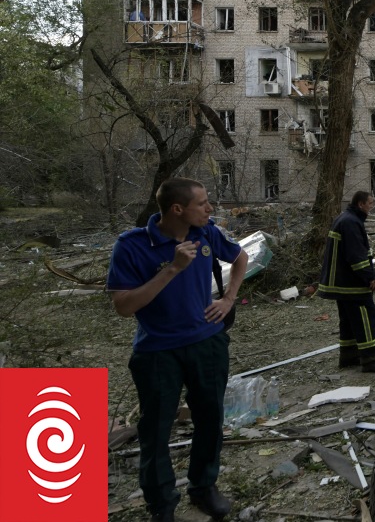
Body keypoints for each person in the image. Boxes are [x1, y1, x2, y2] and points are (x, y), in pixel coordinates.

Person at [107, 178, 248, 522]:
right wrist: (172, 269)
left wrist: (228, 299)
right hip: (157, 350)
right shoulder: (132, 245)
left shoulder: (207, 233)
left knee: (210, 418)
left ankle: (203, 487)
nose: (210, 208)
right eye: (202, 203)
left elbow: (241, 255)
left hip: (207, 343)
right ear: (177, 209)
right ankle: (161, 504)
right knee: (155, 428)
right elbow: (124, 306)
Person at [318, 191, 375, 372]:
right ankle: (371, 359)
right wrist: (370, 278)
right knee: (365, 317)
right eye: (370, 203)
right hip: (351, 284)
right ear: (361, 204)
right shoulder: (351, 223)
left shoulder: (345, 218)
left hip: (340, 283)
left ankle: (349, 356)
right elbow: (356, 256)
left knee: (349, 320)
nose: (371, 207)